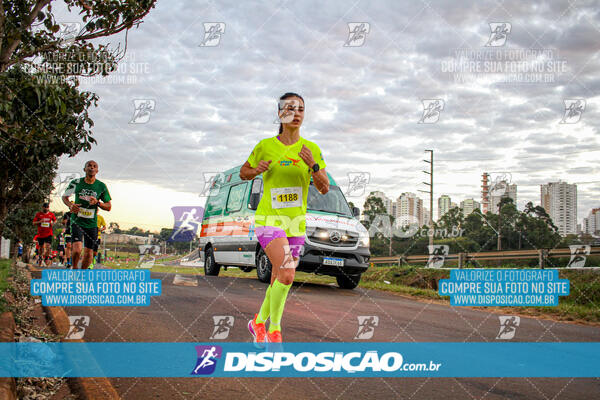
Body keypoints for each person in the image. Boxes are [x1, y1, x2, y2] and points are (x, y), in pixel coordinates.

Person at [240, 92, 329, 345]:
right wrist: (255, 170)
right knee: (288, 275)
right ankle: (275, 330)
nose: (297, 113)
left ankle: (258, 323)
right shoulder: (266, 145)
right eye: (290, 108)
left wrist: (313, 166)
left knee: (279, 278)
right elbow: (243, 172)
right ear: (281, 113)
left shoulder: (311, 149)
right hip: (269, 220)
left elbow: (323, 187)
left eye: (301, 108)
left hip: (295, 224)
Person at [61, 160, 112, 269]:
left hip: (92, 224)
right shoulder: (76, 183)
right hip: (77, 221)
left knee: (89, 254)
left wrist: (98, 202)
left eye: (94, 166)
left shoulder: (101, 186)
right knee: (77, 249)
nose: (92, 168)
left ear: (97, 170)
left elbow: (108, 206)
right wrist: (70, 205)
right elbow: (64, 197)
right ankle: (74, 270)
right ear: (84, 169)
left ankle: (82, 275)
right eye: (89, 166)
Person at [32, 202, 57, 267]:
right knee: (41, 247)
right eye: (45, 207)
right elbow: (34, 223)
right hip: (40, 234)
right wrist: (39, 222)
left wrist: (53, 223)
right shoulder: (38, 214)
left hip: (49, 233)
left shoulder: (51, 214)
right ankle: (40, 257)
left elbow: (55, 220)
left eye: (47, 207)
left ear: (48, 208)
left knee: (48, 247)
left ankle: (46, 258)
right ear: (42, 207)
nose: (46, 208)